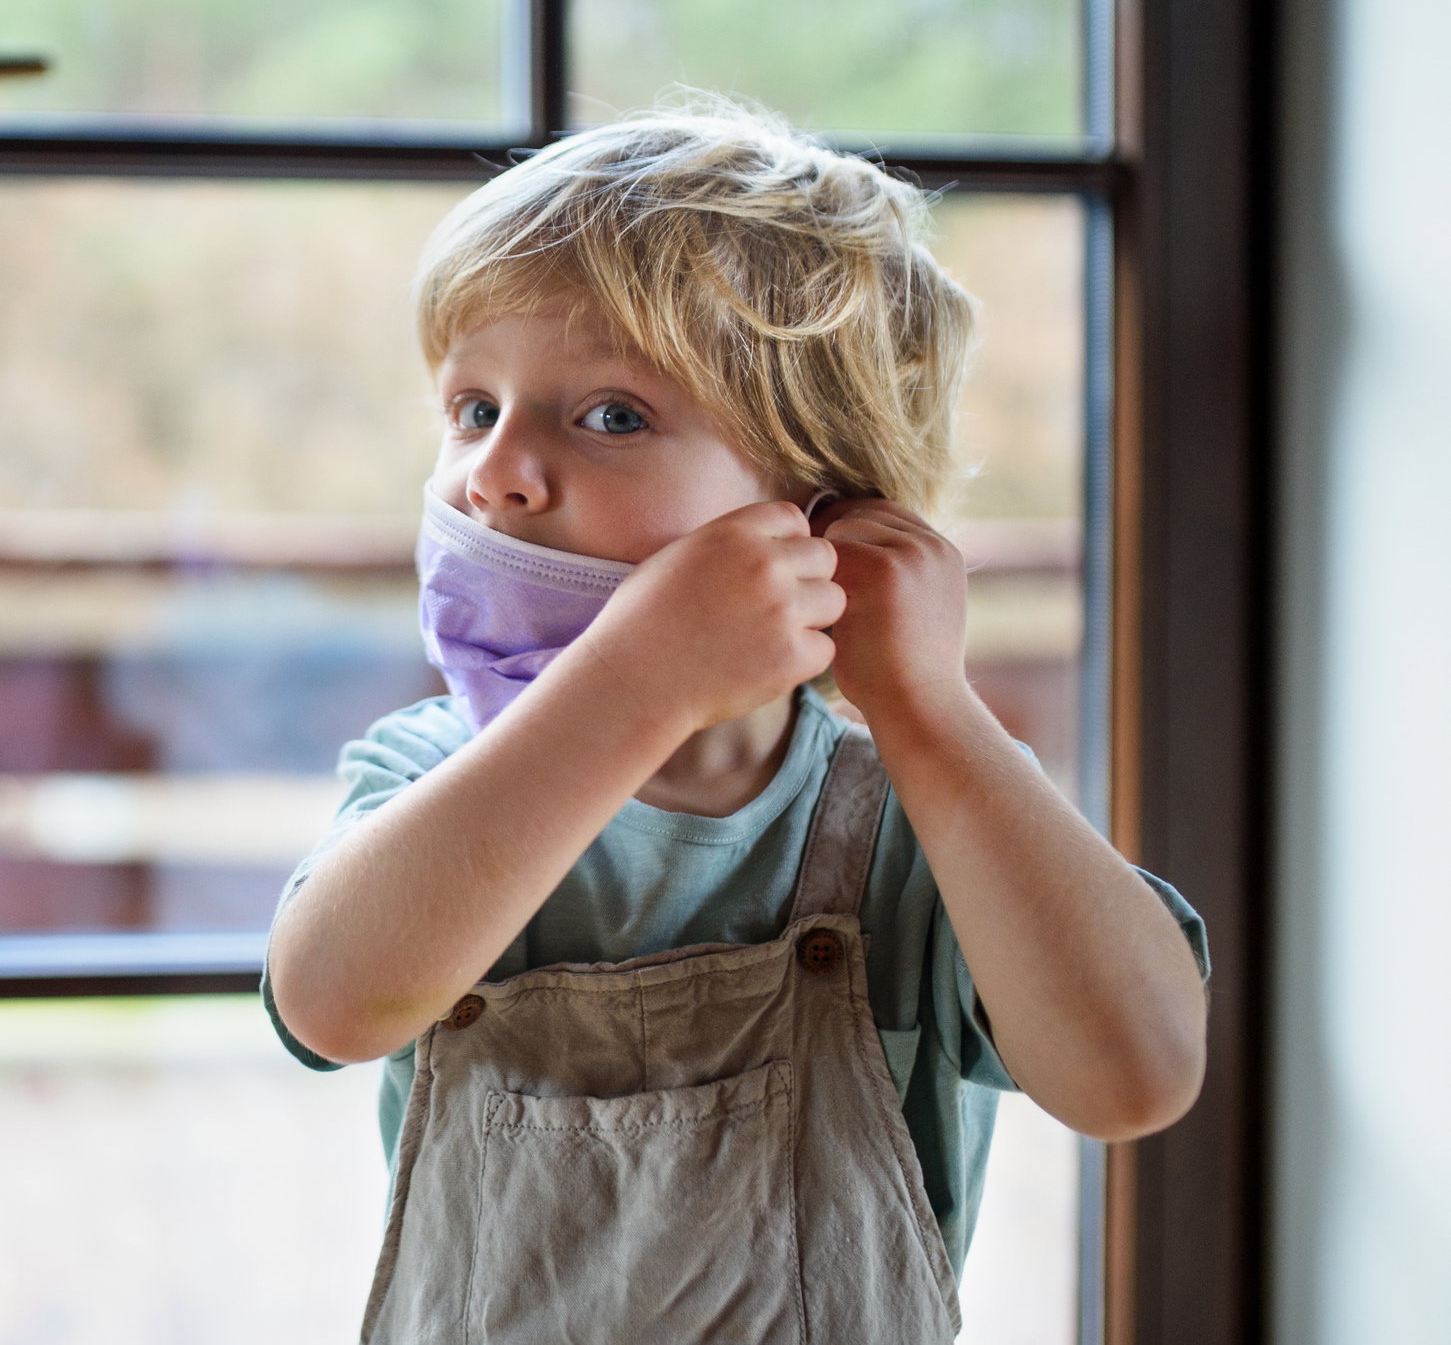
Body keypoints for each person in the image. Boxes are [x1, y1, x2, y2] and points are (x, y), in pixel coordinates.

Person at [262, 97, 1210, 1343]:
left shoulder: (928, 811)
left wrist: (929, 712)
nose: (493, 469)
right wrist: (634, 680)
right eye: (472, 408)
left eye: (610, 416)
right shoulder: (432, 773)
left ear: (819, 502)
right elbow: (333, 1003)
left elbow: (1132, 1077)